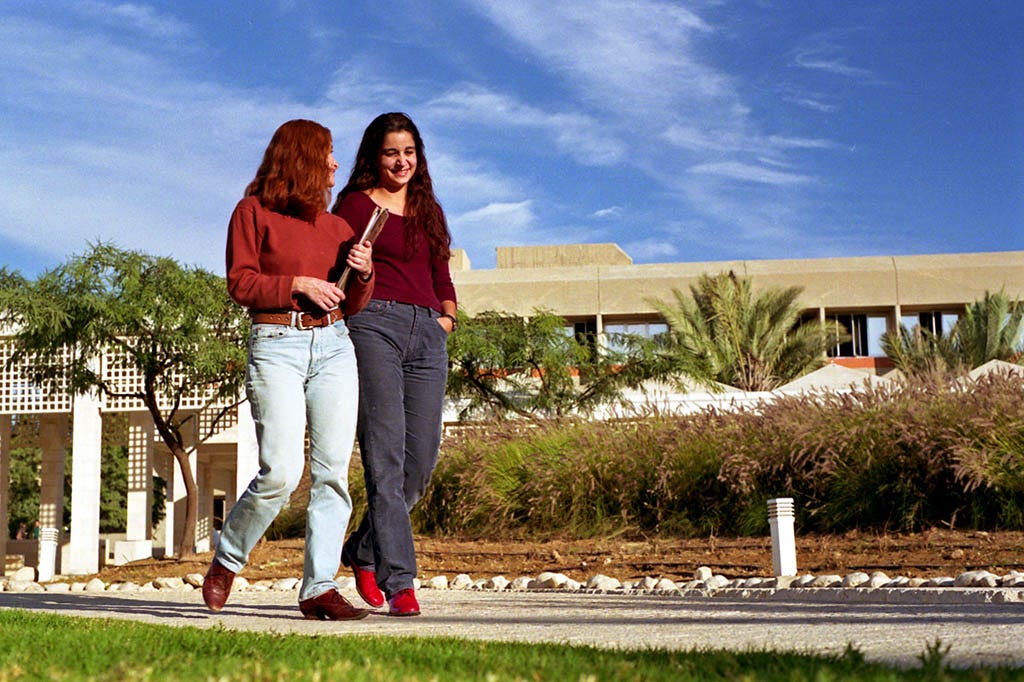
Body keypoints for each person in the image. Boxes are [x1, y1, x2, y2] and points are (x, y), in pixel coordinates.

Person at [203, 119, 374, 621]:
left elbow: (353, 301)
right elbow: (241, 283)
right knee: (281, 469)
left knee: (333, 475)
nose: (335, 164)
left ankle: (318, 588)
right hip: (276, 342)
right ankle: (228, 559)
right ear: (302, 156)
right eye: (328, 153)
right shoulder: (252, 212)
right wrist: (298, 283)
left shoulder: (338, 226)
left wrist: (363, 273)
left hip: (336, 346)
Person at [331, 112, 457, 617]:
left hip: (428, 331)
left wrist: (447, 317)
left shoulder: (428, 207)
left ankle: (362, 549)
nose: (401, 161)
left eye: (409, 152)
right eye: (391, 152)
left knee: (420, 463)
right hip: (373, 324)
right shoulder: (355, 204)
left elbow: (440, 269)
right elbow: (337, 263)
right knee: (384, 456)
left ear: (418, 156)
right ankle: (400, 581)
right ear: (375, 157)